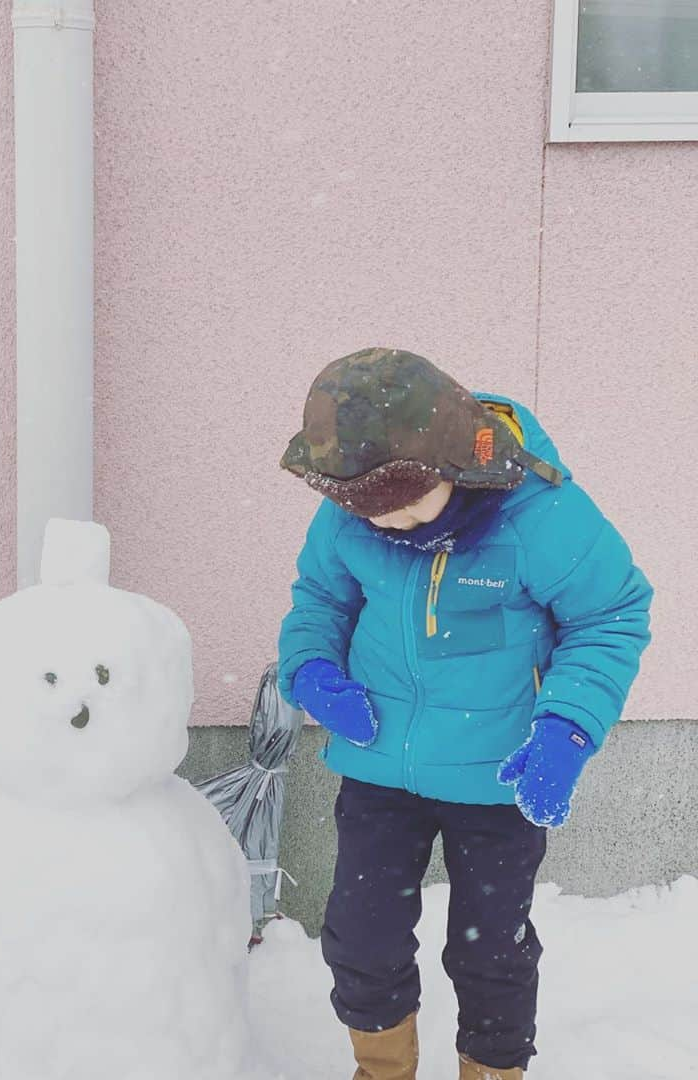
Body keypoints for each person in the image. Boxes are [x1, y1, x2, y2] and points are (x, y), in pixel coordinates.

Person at [276, 347, 652, 1080]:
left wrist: (566, 728)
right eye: (370, 511)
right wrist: (312, 670)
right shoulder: (354, 512)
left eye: (410, 504)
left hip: (497, 773)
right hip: (381, 765)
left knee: (490, 950)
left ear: (452, 461)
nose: (391, 526)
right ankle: (382, 1068)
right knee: (361, 938)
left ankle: (493, 1070)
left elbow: (610, 615)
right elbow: (319, 600)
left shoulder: (540, 513)